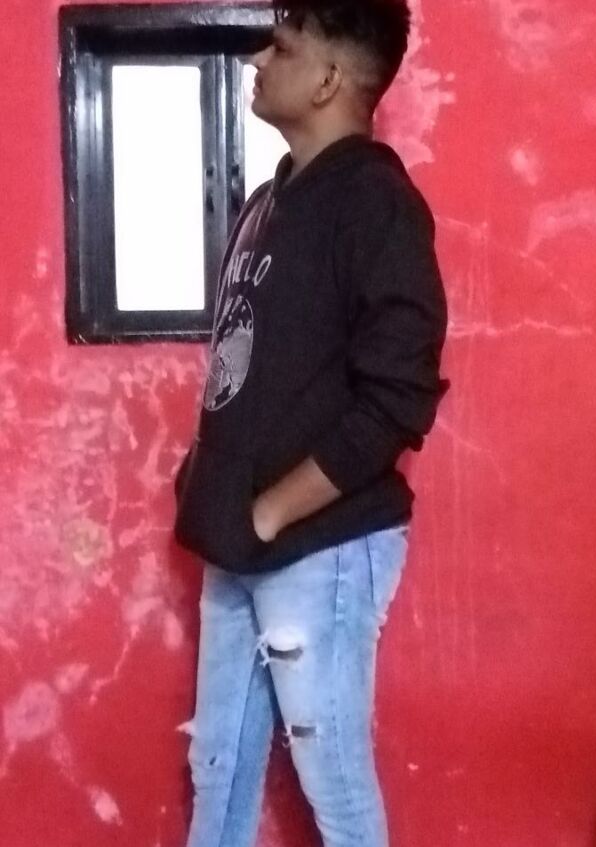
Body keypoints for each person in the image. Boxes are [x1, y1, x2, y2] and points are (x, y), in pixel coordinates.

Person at [173, 1, 448, 845]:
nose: (260, 60)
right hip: (235, 540)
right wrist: (211, 487)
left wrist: (272, 510)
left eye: (284, 48)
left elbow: (398, 399)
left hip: (319, 546)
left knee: (336, 788)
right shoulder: (270, 199)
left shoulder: (376, 203)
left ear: (328, 79)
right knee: (217, 769)